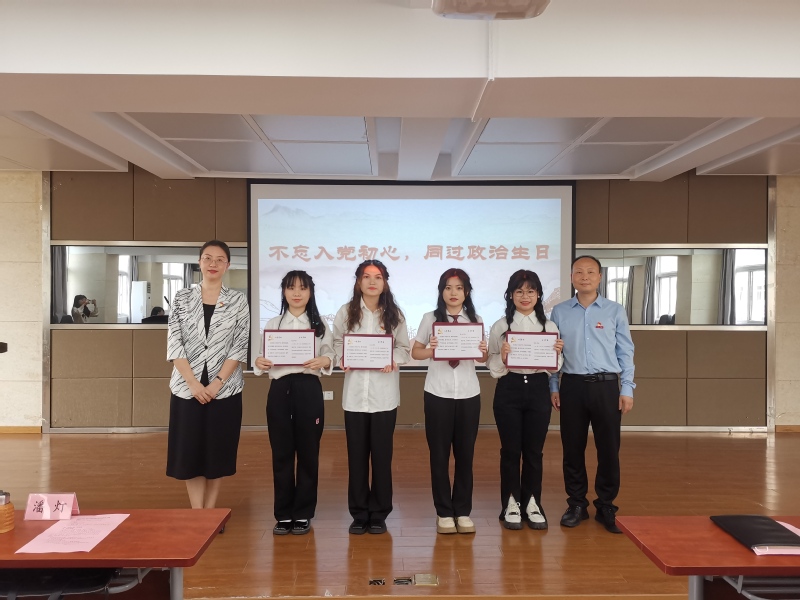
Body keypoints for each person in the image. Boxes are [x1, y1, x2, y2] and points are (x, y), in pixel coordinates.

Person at [549, 256, 635, 534]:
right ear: (571, 277)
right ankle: (576, 504)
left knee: (608, 449)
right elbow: (553, 352)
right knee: (572, 448)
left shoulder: (614, 311)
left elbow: (626, 351)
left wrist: (627, 388)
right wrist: (554, 386)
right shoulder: (559, 311)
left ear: (599, 277)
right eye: (578, 272)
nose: (584, 276)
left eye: (590, 272)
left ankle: (606, 505)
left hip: (606, 386)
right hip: (572, 386)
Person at [166, 240, 250, 520]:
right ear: (199, 262)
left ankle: (210, 514)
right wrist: (193, 383)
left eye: (219, 259)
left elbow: (239, 345)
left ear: (228, 265)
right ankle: (197, 514)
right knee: (190, 452)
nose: (213, 263)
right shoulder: (181, 298)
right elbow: (174, 343)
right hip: (186, 388)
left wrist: (216, 383)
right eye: (207, 258)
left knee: (217, 452)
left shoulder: (238, 300)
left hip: (224, 390)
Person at [253, 270, 335, 536]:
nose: (297, 293)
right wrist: (259, 362)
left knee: (309, 453)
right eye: (291, 288)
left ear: (310, 292)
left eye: (302, 288)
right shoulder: (273, 324)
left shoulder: (320, 324)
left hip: (308, 388)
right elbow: (261, 358)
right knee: (281, 452)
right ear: (284, 292)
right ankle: (283, 514)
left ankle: (303, 513)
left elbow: (331, 355)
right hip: (279, 390)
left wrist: (325, 360)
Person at [333, 259, 410, 535]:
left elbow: (404, 349)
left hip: (383, 397)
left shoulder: (394, 315)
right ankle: (358, 513)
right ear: (358, 282)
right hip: (355, 397)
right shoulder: (346, 312)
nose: (372, 281)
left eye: (378, 277)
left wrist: (392, 359)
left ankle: (378, 513)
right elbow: (337, 343)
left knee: (381, 457)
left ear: (385, 282)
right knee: (356, 458)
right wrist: (342, 357)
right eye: (366, 276)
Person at [411, 268, 487, 535]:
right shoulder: (430, 318)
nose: (453, 293)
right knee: (439, 455)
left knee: (466, 455)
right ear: (441, 291)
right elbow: (416, 352)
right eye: (448, 287)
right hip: (438, 393)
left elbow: (482, 358)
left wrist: (483, 351)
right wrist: (431, 349)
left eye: (459, 288)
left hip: (468, 393)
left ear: (466, 292)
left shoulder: (475, 320)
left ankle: (463, 511)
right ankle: (444, 512)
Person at [487, 270, 563, 531]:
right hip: (509, 388)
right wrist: (503, 357)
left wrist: (557, 353)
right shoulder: (500, 326)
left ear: (539, 294)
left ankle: (532, 503)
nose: (525, 296)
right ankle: (510, 503)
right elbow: (491, 364)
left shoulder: (549, 327)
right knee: (510, 451)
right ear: (511, 295)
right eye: (519, 291)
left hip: (538, 389)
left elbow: (555, 367)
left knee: (534, 451)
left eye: (530, 291)